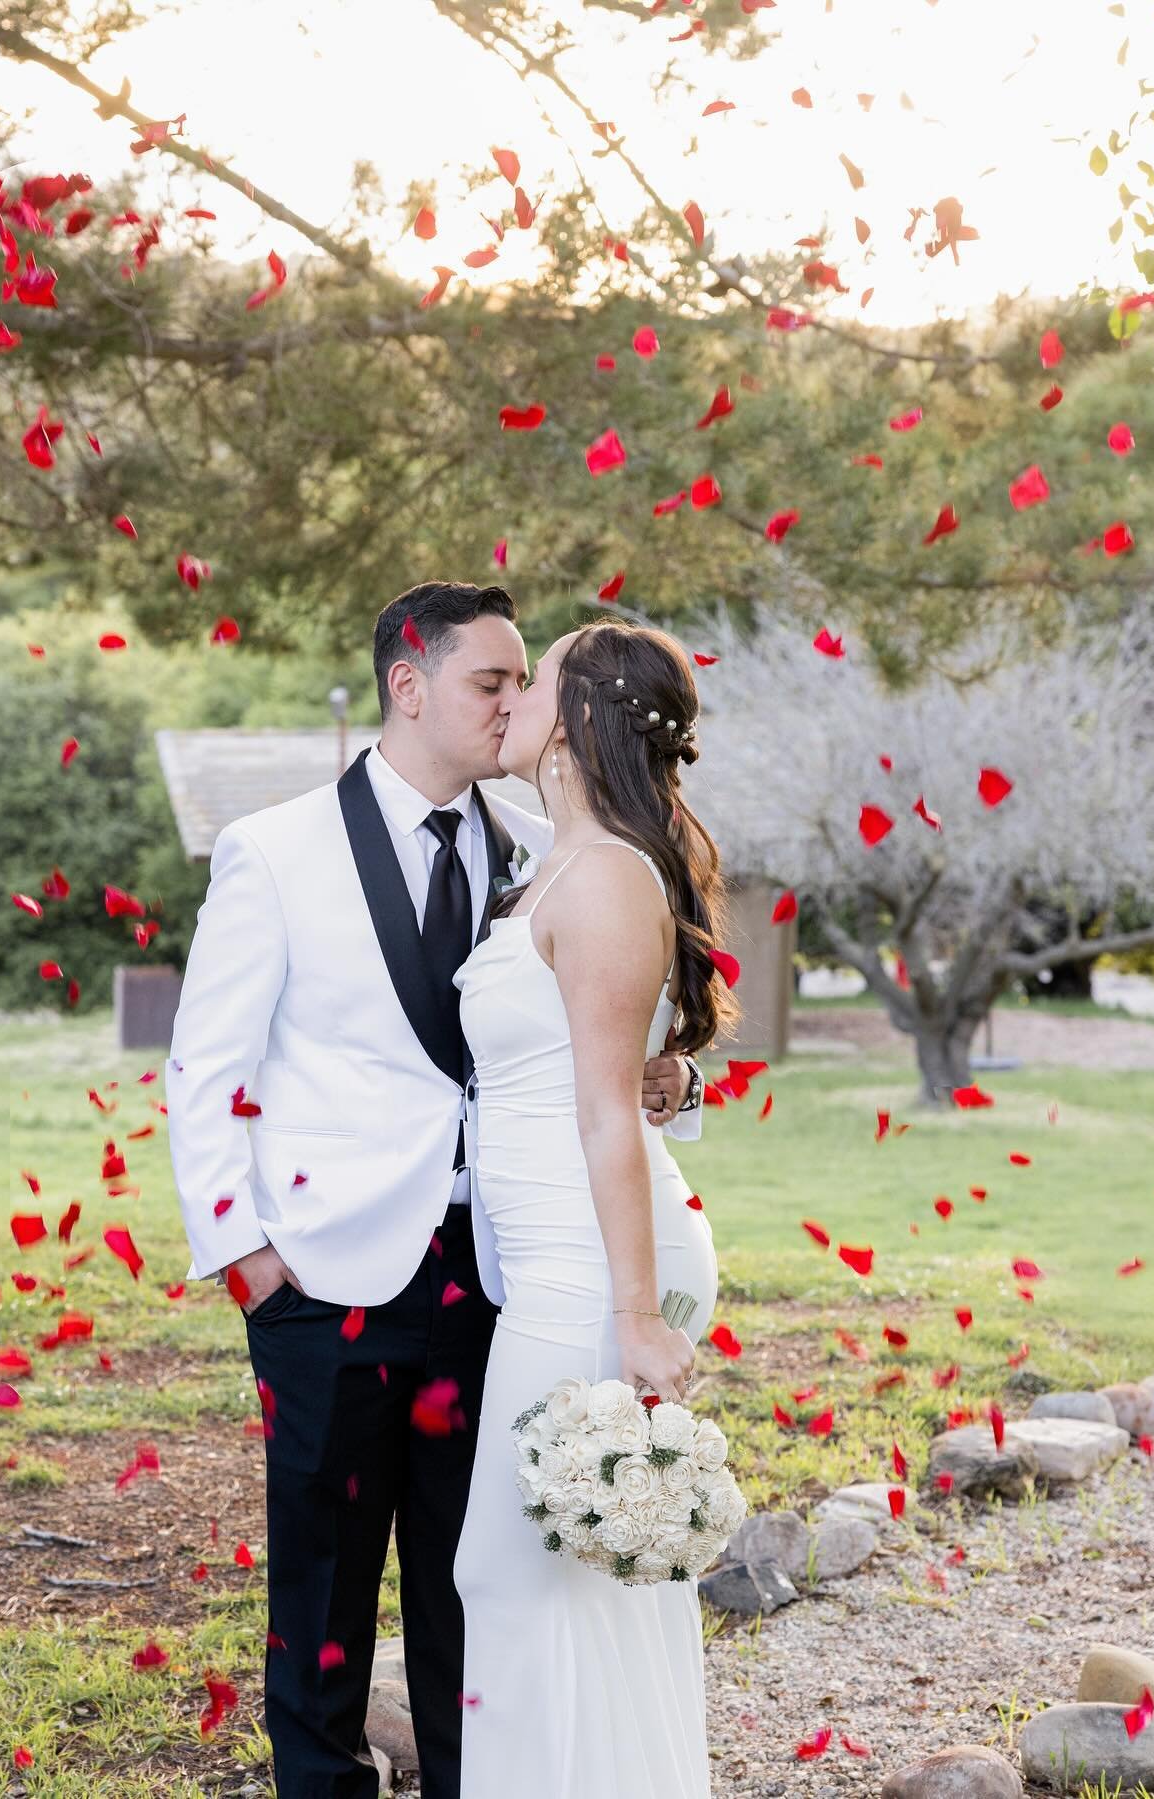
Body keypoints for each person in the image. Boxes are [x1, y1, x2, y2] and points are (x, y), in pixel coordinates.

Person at [164, 581, 706, 1799]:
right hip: (325, 1274)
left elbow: (587, 1054)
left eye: (526, 683)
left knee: (473, 1572)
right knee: (322, 1574)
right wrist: (247, 1254)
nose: (514, 703)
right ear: (409, 683)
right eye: (491, 682)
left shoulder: (539, 850)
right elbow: (206, 1070)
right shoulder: (277, 848)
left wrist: (663, 1076)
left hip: (497, 1276)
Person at [453, 615, 734, 1797]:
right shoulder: (556, 859)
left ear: (574, 718)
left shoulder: (611, 874)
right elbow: (618, 1072)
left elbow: (611, 1111)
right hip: (562, 1248)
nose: (512, 693)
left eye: (538, 675)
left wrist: (635, 1311)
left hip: (594, 1260)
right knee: (577, 1583)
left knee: (511, 1571)